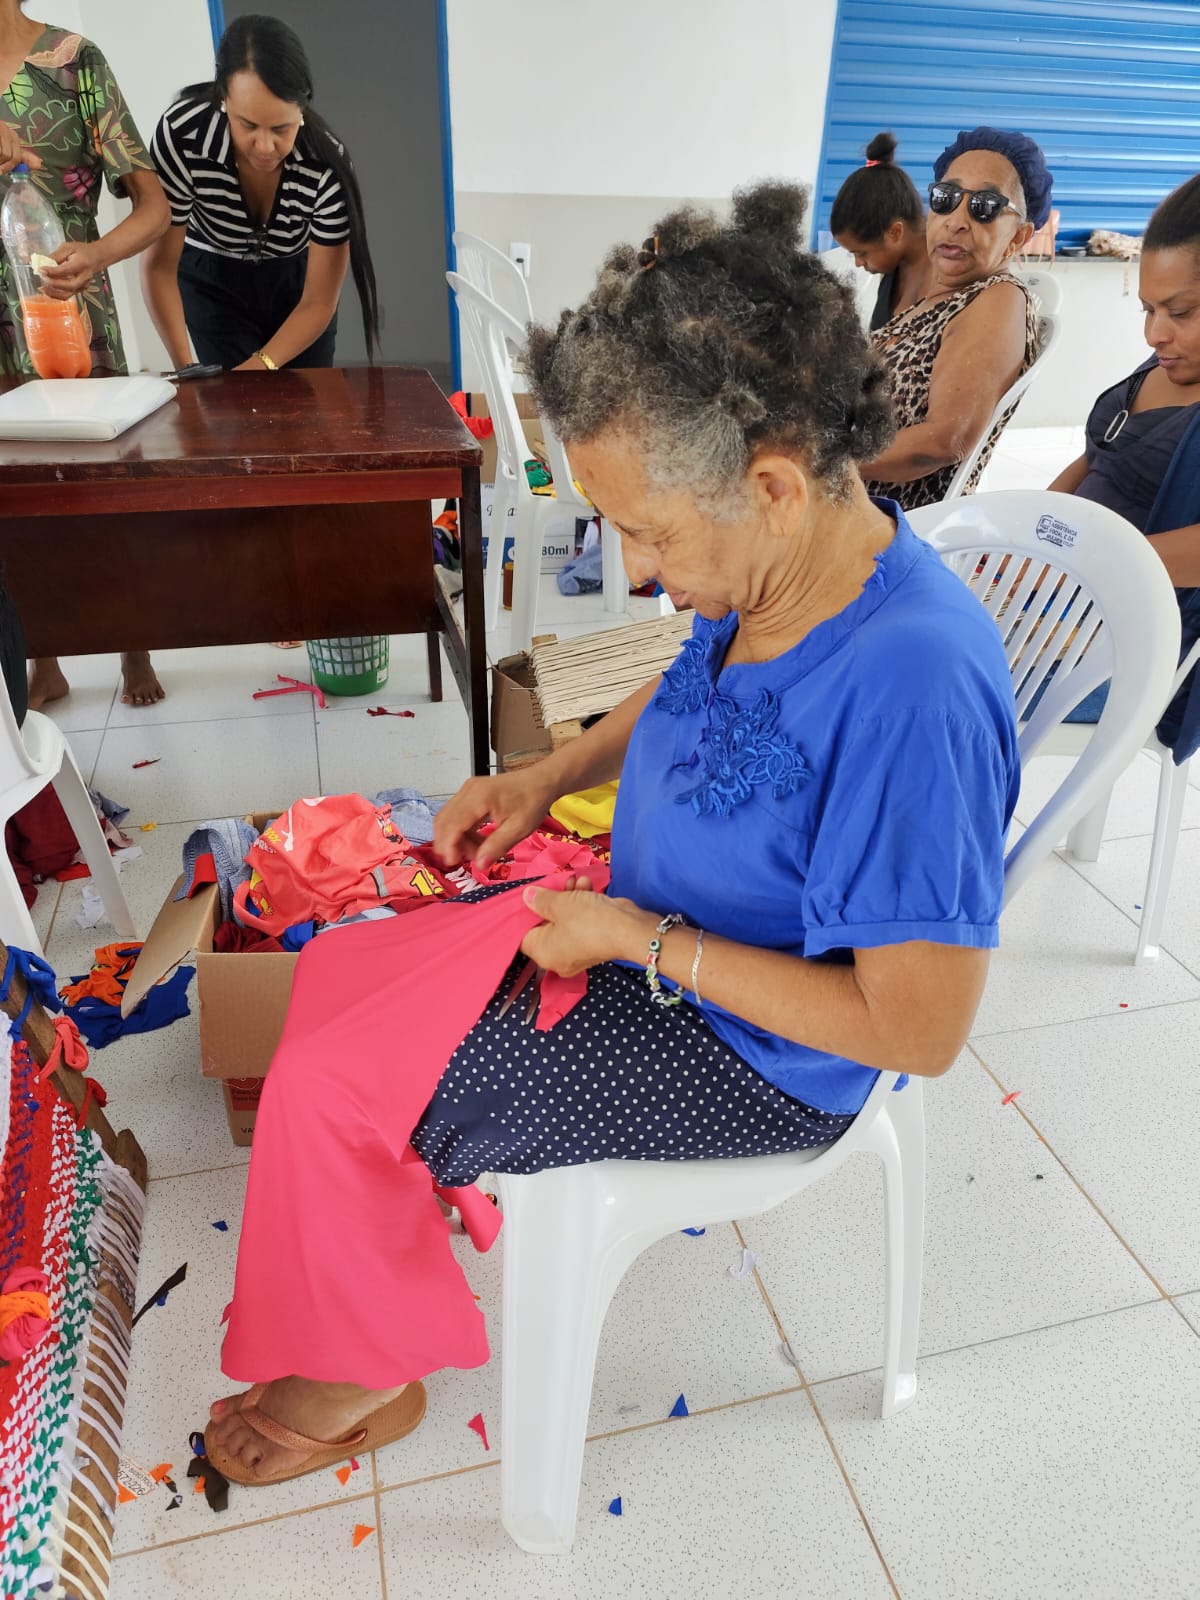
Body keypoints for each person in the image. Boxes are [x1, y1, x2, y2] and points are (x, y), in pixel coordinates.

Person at [200, 183, 1019, 1487]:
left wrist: (637, 938)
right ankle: (358, 1294)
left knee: (361, 1084)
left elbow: (915, 1031)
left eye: (648, 531)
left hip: (756, 1049)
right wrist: (549, 774)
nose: (635, 570)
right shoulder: (776, 563)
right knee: (343, 974)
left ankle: (367, 1364)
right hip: (646, 935)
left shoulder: (915, 685)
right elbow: (688, 682)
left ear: (772, 485)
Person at [0, 4, 171, 709]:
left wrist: (96, 254)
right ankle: (42, 656)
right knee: (13, 500)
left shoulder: (74, 62)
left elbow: (154, 205)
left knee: (102, 490)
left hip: (68, 310)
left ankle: (134, 646)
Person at [1048, 172, 1200, 761]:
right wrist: (1032, 532)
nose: (1154, 333)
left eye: (1180, 311)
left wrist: (1080, 558)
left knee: (923, 674)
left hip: (1133, 649)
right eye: (1147, 308)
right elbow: (1099, 457)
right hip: (1070, 594)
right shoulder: (1167, 362)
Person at [141, 13, 379, 374]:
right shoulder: (183, 135)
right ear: (223, 98)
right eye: (247, 125)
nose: (265, 146)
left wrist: (260, 366)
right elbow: (159, 266)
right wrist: (186, 369)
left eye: (281, 128)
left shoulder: (326, 165)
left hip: (297, 293)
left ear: (302, 108)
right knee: (228, 405)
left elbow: (318, 300)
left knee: (305, 403)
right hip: (212, 281)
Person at [861, 126, 1052, 510]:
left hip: (886, 517)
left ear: (1018, 237)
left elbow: (944, 442)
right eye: (945, 198)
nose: (956, 221)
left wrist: (815, 461)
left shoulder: (998, 298)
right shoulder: (939, 295)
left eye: (985, 206)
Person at [831, 130, 931, 330]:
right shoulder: (894, 267)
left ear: (895, 232)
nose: (858, 263)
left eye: (861, 253)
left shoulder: (948, 274)